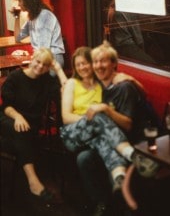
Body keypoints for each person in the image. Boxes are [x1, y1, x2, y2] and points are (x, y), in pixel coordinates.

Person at [76, 41, 160, 215]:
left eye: (103, 61)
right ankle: (101, 202)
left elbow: (128, 124)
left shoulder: (124, 87)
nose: (99, 66)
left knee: (108, 160)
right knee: (83, 158)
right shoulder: (99, 87)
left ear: (114, 64)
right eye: (96, 62)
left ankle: (122, 207)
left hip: (133, 140)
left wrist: (106, 110)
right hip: (110, 140)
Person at [60, 47, 135, 195]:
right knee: (99, 115)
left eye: (85, 63)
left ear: (92, 64)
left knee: (104, 143)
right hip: (72, 134)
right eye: (78, 64)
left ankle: (119, 179)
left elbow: (118, 80)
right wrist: (92, 117)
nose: (82, 67)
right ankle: (130, 152)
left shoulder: (100, 84)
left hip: (95, 133)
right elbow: (66, 117)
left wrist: (131, 79)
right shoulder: (72, 84)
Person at [0, 48, 67, 205]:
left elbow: (66, 90)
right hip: (8, 117)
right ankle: (33, 181)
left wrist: (57, 69)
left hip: (30, 126)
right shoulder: (15, 77)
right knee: (22, 131)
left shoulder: (47, 81)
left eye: (45, 65)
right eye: (38, 62)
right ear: (32, 59)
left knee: (22, 133)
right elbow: (6, 106)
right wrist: (18, 117)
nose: (40, 67)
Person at [11, 0, 65, 72]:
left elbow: (44, 48)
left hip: (53, 59)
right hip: (42, 58)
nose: (18, 4)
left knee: (25, 77)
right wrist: (17, 16)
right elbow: (18, 37)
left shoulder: (44, 16)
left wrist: (31, 61)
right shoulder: (33, 17)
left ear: (28, 0)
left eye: (20, 1)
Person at [105, 0, 156, 65]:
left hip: (118, 45)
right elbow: (138, 38)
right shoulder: (126, 9)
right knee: (152, 64)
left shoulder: (114, 7)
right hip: (126, 45)